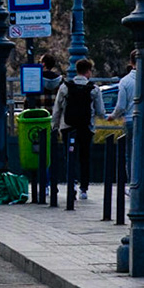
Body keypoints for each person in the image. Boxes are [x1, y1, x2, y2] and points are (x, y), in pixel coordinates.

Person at [53, 57, 98, 200]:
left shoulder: (65, 87)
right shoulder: (93, 89)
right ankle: (84, 189)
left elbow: (57, 109)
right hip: (86, 128)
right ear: (88, 71)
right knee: (85, 158)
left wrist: (55, 127)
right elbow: (101, 111)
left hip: (68, 127)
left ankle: (71, 185)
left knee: (69, 157)